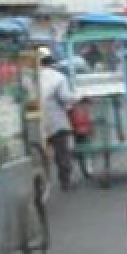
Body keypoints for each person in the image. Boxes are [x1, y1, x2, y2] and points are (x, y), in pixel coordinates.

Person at [39, 52, 79, 191]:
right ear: (52, 62)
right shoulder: (59, 77)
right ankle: (65, 181)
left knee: (39, 153)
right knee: (61, 151)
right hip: (55, 120)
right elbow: (65, 97)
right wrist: (78, 97)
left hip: (36, 121)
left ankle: (41, 183)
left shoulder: (29, 76)